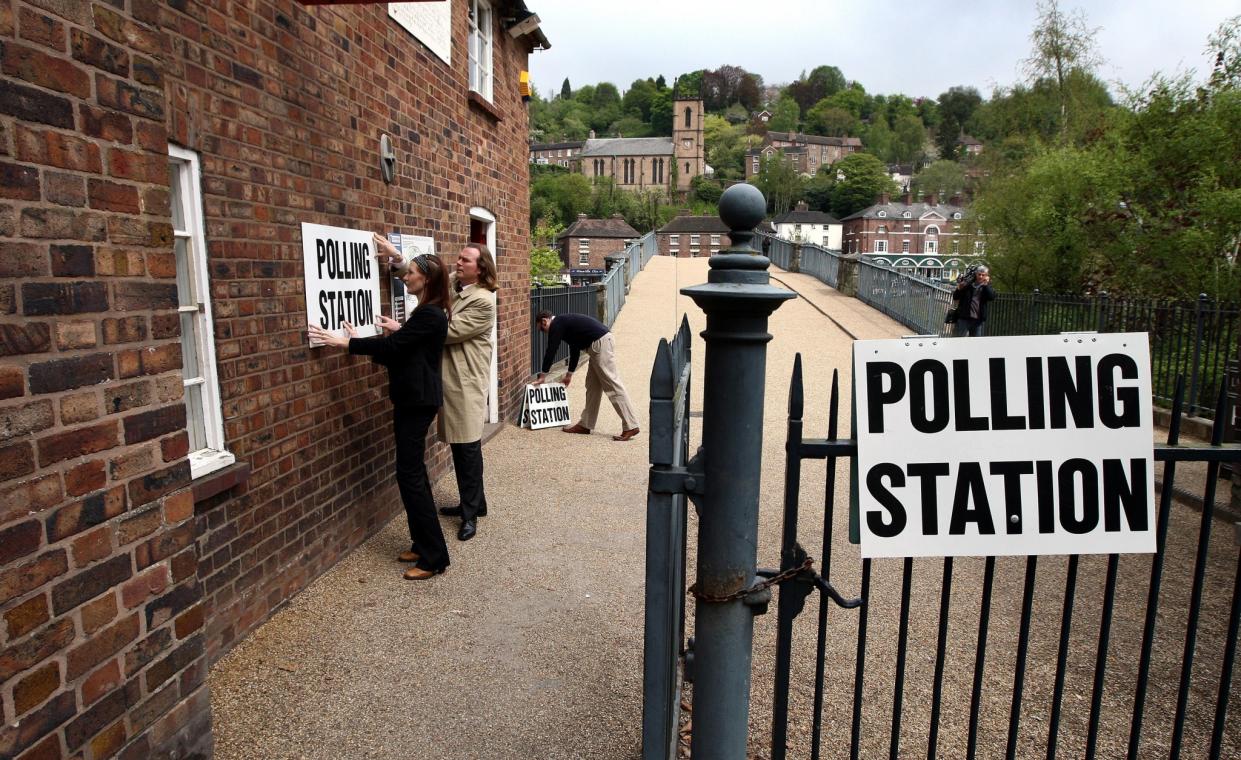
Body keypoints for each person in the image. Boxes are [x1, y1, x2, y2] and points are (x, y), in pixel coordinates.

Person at [308, 239, 451, 581]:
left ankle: (434, 557)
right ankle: (421, 543)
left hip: (417, 402)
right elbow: (400, 349)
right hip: (413, 399)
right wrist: (365, 338)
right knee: (409, 472)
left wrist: (346, 342)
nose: (406, 277)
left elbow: (395, 346)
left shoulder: (430, 314)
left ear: (426, 280)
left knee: (411, 475)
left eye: (412, 273)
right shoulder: (426, 312)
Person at [382, 240, 498, 542]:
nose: (458, 263)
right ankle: (475, 502)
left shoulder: (484, 300)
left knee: (468, 446)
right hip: (451, 381)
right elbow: (427, 278)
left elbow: (446, 331)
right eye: (459, 258)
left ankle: (471, 514)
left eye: (466, 260)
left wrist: (404, 331)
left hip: (465, 383)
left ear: (481, 268)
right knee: (461, 445)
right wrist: (398, 259)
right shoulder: (458, 288)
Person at [534, 311, 640, 442]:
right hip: (599, 345)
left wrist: (543, 375)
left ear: (545, 321)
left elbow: (551, 349)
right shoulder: (564, 323)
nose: (544, 332)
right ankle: (586, 425)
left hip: (600, 345)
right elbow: (575, 349)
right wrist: (569, 375)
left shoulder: (557, 324)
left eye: (542, 329)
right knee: (592, 386)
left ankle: (631, 425)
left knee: (612, 385)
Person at [952, 265, 995, 337]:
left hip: (978, 320)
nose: (981, 276)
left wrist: (986, 285)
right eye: (979, 274)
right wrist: (959, 288)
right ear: (976, 274)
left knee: (975, 343)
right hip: (964, 318)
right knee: (958, 340)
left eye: (983, 275)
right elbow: (955, 297)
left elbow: (991, 297)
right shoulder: (968, 284)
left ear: (986, 276)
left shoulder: (986, 286)